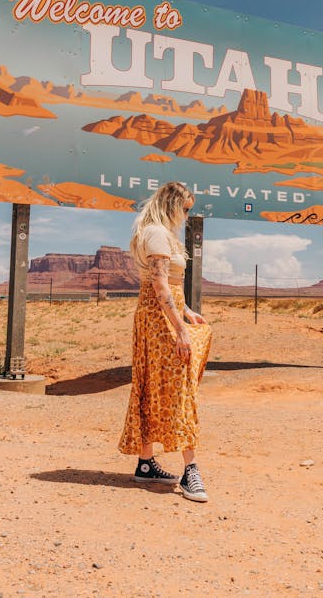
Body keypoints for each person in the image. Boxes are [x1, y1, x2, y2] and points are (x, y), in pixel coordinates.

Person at [118, 181, 212, 502]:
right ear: (172, 204)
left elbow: (166, 286)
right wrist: (180, 329)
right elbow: (158, 285)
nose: (187, 215)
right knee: (180, 386)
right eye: (185, 208)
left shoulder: (160, 233)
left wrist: (187, 311)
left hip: (158, 315)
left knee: (153, 385)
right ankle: (191, 471)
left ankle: (145, 462)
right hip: (158, 321)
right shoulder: (156, 233)